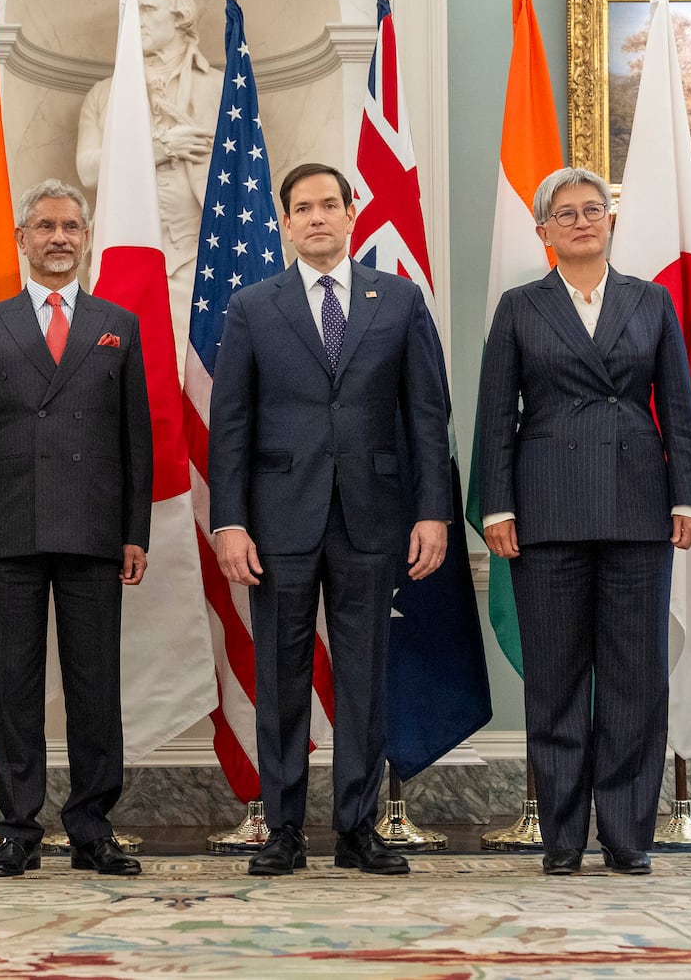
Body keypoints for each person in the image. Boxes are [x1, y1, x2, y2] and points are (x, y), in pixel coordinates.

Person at [209, 162, 452, 877]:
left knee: (364, 679)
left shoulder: (400, 301)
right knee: (282, 678)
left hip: (373, 518)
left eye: (328, 204)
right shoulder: (253, 306)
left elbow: (426, 416)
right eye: (302, 208)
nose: (316, 217)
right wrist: (229, 521)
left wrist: (432, 511)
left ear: (353, 212)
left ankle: (356, 828)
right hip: (277, 521)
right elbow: (230, 426)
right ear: (285, 223)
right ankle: (283, 830)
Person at [475, 166, 691, 878]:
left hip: (638, 506)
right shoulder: (519, 308)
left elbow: (679, 407)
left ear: (610, 222)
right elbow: (496, 416)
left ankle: (628, 832)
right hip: (547, 512)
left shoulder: (652, 303)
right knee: (556, 678)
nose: (581, 220)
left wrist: (687, 495)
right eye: (565, 213)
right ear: (543, 231)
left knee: (636, 676)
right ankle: (564, 836)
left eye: (592, 209)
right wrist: (497, 504)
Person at [0, 179, 153, 878]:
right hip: (7, 530)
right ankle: (18, 829)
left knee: (96, 686)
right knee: (15, 685)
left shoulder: (117, 321)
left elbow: (136, 443)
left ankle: (93, 827)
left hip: (95, 530)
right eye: (44, 226)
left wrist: (135, 532)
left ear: (86, 236)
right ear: (22, 239)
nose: (58, 237)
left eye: (70, 226)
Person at [76, 0, 221, 380]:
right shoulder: (104, 95)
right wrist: (159, 148)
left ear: (179, 15)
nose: (136, 18)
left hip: (196, 256)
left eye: (149, 8)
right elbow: (88, 168)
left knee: (197, 376)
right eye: (132, 9)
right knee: (124, 374)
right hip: (123, 252)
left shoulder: (219, 88)